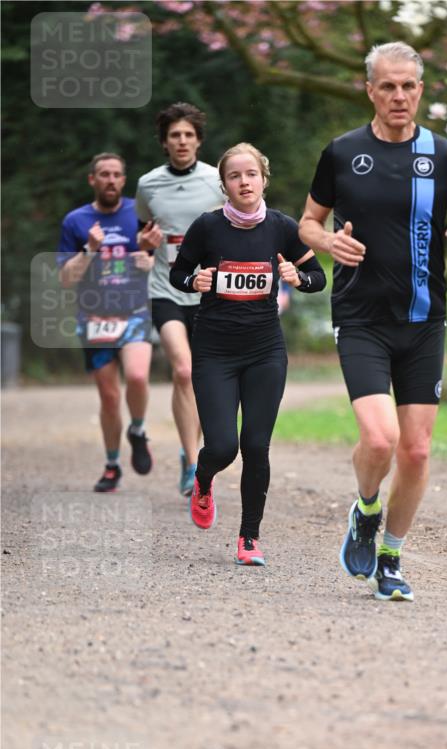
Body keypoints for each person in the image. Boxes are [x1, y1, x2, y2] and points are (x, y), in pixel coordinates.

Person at [299, 41, 447, 601]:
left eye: (408, 86)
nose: (398, 95)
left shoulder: (443, 155)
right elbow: (308, 224)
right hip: (361, 317)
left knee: (416, 450)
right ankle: (366, 508)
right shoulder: (342, 153)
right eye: (387, 85)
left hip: (423, 320)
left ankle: (390, 555)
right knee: (380, 437)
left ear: (420, 90)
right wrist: (327, 244)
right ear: (369, 89)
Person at [169, 142, 326, 566]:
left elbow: (318, 276)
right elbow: (177, 273)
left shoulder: (282, 228)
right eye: (235, 176)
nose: (244, 182)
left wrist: (299, 277)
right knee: (222, 447)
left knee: (256, 444)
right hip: (215, 351)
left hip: (264, 350)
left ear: (263, 179)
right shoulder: (207, 227)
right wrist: (194, 281)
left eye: (251, 174)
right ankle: (202, 479)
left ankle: (249, 538)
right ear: (224, 185)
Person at [135, 102, 222, 496]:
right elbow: (143, 235)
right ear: (165, 143)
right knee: (183, 371)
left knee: (202, 378)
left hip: (208, 292)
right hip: (166, 289)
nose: (182, 141)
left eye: (189, 134)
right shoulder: (148, 184)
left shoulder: (217, 181)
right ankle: (191, 463)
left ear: (199, 141)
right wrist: (144, 243)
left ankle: (194, 454)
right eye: (175, 135)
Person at [58, 152, 154, 493]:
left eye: (116, 174)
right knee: (110, 398)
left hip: (134, 312)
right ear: (92, 180)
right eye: (104, 174)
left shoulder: (139, 215)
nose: (110, 179)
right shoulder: (75, 221)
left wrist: (149, 260)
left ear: (124, 180)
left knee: (139, 376)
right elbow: (66, 279)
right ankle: (112, 465)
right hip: (94, 317)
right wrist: (89, 250)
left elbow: (162, 262)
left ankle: (138, 429)